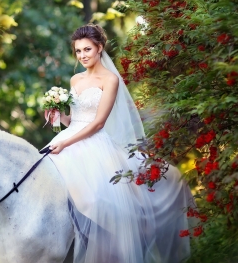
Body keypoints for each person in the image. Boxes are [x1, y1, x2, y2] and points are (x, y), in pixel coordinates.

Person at [45, 24, 193, 263]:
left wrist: (67, 143)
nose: (82, 55)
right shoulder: (75, 79)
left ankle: (108, 251)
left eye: (87, 50)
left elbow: (98, 123)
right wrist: (56, 114)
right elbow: (72, 119)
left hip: (93, 143)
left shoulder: (110, 79)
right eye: (78, 51)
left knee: (98, 200)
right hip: (68, 137)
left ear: (99, 48)